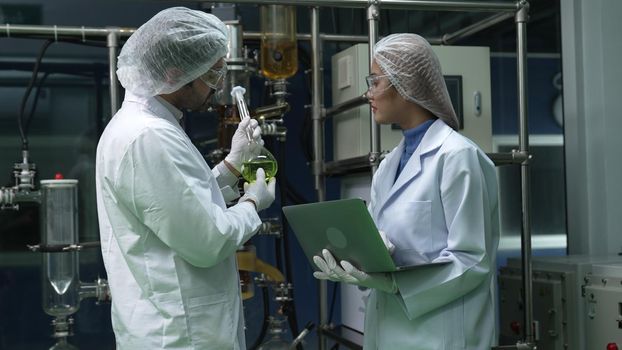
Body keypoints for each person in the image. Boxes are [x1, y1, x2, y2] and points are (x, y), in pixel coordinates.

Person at [95, 7, 276, 349]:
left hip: (174, 328)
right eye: (212, 74)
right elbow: (209, 241)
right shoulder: (148, 136)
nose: (218, 86)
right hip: (179, 336)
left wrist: (233, 166)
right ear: (176, 74)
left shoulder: (148, 126)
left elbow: (179, 202)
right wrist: (253, 202)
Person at [313, 33, 500, 349]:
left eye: (375, 81)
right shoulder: (389, 165)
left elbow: (471, 260)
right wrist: (361, 259)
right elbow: (381, 244)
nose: (367, 93)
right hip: (389, 331)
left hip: (443, 334)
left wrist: (393, 282)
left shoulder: (457, 156)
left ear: (406, 85)